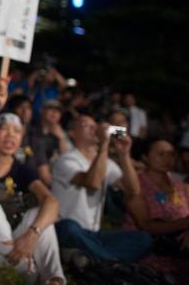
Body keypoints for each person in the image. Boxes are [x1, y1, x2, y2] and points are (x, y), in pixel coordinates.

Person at [0, 77, 65, 285]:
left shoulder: (22, 169)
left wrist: (32, 234)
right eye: (4, 129)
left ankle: (54, 278)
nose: (11, 135)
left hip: (12, 241)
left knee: (39, 214)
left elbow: (52, 202)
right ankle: (28, 268)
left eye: (17, 131)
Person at [51, 113, 152, 263]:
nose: (94, 129)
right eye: (87, 125)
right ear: (72, 133)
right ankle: (107, 262)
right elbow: (93, 183)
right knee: (69, 227)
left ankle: (94, 258)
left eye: (95, 126)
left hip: (94, 235)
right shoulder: (66, 160)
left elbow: (133, 190)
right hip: (68, 229)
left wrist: (124, 155)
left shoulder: (106, 163)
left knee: (144, 239)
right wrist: (104, 146)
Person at [124, 138, 189, 278]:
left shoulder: (182, 187)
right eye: (161, 154)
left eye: (171, 154)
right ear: (145, 157)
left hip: (181, 260)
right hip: (149, 258)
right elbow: (145, 225)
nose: (167, 159)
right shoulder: (136, 185)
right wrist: (184, 223)